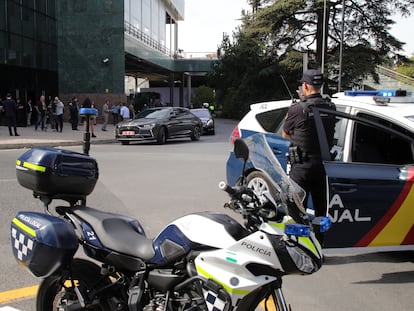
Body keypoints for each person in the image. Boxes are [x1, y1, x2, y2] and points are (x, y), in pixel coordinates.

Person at [282, 69, 336, 243]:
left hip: (302, 167)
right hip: (322, 167)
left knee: (298, 209)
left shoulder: (297, 108)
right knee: (321, 209)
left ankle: (301, 248)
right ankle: (319, 247)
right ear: (321, 86)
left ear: (304, 86)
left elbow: (285, 133)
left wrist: (295, 106)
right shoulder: (331, 106)